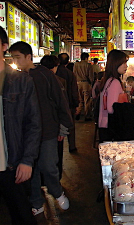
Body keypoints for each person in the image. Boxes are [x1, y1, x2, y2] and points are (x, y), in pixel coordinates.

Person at [9, 41, 73, 216]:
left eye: (17, 57)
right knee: (32, 169)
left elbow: (60, 100)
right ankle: (37, 202)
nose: (14, 61)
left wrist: (63, 127)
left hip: (48, 130)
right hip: (26, 134)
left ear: (28, 57)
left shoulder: (44, 75)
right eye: (12, 57)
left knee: (48, 165)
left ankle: (57, 191)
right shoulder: (15, 78)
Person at [0, 26, 41, 225]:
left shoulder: (21, 81)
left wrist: (27, 160)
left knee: (21, 215)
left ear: (3, 47)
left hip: (11, 163)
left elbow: (33, 123)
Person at [40, 55, 69, 181]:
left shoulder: (31, 79)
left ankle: (44, 182)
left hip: (39, 127)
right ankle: (55, 182)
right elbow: (63, 105)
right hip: (54, 126)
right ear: (55, 66)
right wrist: (63, 127)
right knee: (55, 156)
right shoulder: (59, 81)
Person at [98, 50, 128, 142]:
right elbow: (111, 108)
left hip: (104, 124)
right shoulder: (114, 82)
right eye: (124, 63)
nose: (126, 66)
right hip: (111, 126)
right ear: (116, 63)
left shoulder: (108, 80)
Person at [57, 53, 80, 153]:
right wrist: (76, 104)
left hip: (57, 105)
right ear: (68, 61)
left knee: (58, 128)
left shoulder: (54, 73)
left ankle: (59, 147)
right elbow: (74, 90)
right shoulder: (70, 74)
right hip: (69, 104)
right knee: (71, 126)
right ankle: (72, 146)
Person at [74, 52, 93, 121]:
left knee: (80, 100)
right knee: (87, 100)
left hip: (78, 83)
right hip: (85, 83)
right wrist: (91, 83)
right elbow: (91, 76)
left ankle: (78, 112)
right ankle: (87, 115)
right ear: (86, 58)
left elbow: (74, 74)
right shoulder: (88, 65)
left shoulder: (76, 64)